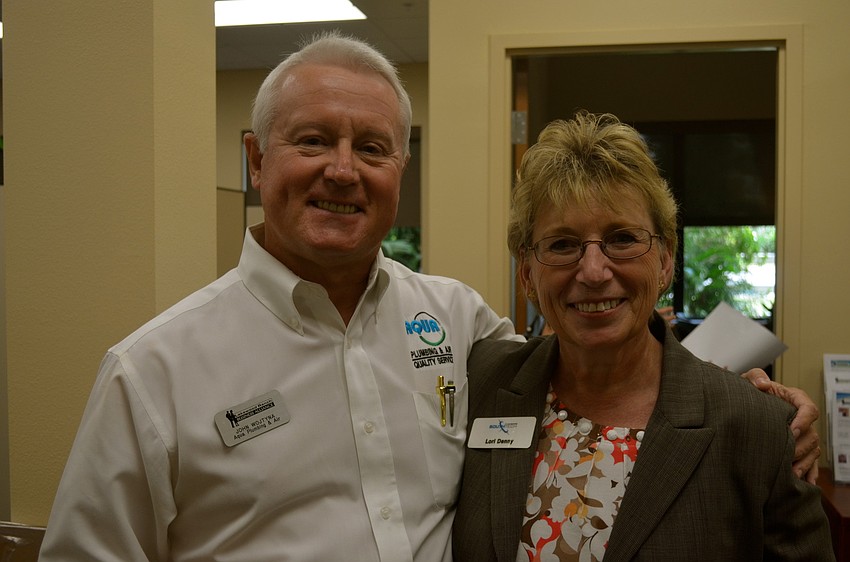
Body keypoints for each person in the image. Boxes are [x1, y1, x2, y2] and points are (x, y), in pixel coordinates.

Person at [38, 34, 820, 561]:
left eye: (371, 148)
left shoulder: (453, 322)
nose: (342, 171)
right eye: (313, 140)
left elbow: (599, 355)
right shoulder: (150, 375)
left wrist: (743, 397)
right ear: (255, 159)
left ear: (399, 171)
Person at [452, 112, 834, 561]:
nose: (593, 271)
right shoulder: (478, 382)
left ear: (666, 261)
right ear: (528, 274)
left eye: (622, 239)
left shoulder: (756, 429)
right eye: (561, 244)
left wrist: (767, 417)